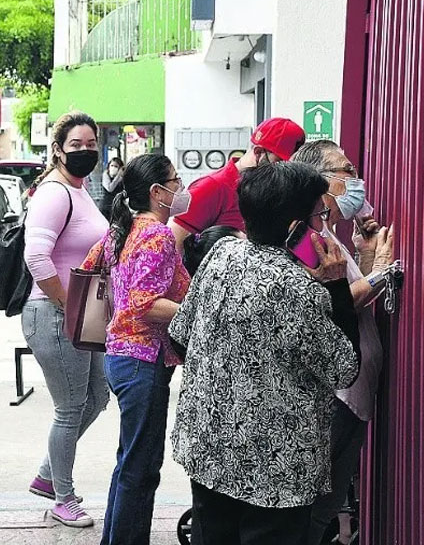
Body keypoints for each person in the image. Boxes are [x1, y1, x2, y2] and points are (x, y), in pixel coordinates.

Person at [169, 161, 361, 545]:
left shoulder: (221, 253)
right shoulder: (298, 290)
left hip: (208, 449)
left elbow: (180, 333)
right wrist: (338, 288)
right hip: (276, 469)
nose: (321, 224)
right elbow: (343, 369)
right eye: (318, 215)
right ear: (295, 228)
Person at [80, 154, 192, 544]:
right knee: (141, 468)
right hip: (143, 360)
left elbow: (89, 265)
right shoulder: (157, 234)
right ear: (158, 192)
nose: (181, 188)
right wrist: (198, 312)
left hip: (120, 356)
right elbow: (145, 302)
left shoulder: (119, 232)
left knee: (130, 464)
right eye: (176, 181)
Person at [292, 140, 396, 545]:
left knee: (325, 506)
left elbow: (351, 293)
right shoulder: (303, 239)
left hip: (352, 391)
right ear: (320, 181)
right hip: (335, 394)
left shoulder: (328, 235)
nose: (356, 180)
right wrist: (382, 272)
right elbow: (329, 303)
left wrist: (368, 263)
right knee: (313, 509)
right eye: (346, 171)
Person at [22, 111, 111, 528]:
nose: (85, 151)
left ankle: (47, 475)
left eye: (91, 144)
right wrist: (65, 304)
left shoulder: (80, 189)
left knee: (96, 398)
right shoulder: (54, 193)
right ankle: (62, 497)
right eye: (76, 145)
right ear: (58, 149)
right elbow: (36, 256)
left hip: (81, 314)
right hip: (54, 313)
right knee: (70, 407)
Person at [168, 118, 306, 248]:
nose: (285, 173)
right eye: (280, 164)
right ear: (258, 153)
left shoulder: (271, 192)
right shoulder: (212, 187)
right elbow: (175, 244)